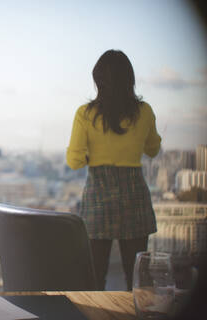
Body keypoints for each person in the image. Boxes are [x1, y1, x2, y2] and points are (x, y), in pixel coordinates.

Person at [66, 50, 162, 291]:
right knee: (138, 276)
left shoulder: (85, 114)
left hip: (99, 195)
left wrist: (93, 154)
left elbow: (74, 161)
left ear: (98, 80)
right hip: (134, 196)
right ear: (130, 79)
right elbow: (153, 149)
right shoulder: (145, 111)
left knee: (95, 276)